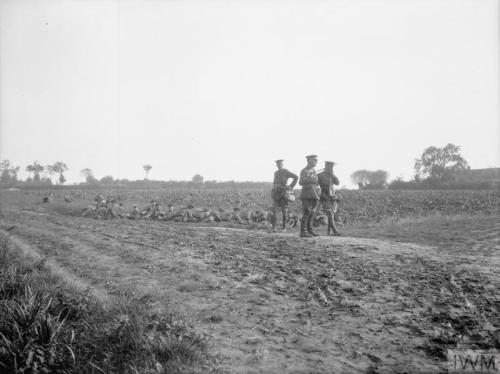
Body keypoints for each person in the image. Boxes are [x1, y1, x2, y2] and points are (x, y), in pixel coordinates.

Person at [271, 159, 298, 232]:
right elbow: (274, 182)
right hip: (276, 193)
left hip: (283, 194)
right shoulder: (276, 173)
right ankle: (274, 228)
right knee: (274, 211)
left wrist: (290, 186)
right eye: (277, 164)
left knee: (284, 212)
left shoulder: (286, 171)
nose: (279, 165)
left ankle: (284, 228)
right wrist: (273, 190)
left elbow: (296, 177)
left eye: (280, 164)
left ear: (282, 165)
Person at [317, 161, 341, 236]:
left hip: (332, 196)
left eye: (332, 167)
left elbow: (337, 183)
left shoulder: (332, 175)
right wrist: (320, 194)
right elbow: (315, 185)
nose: (331, 168)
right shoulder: (320, 175)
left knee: (332, 214)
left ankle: (328, 231)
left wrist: (333, 175)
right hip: (324, 196)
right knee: (330, 213)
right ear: (326, 166)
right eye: (330, 166)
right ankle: (335, 231)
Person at [299, 155, 320, 237]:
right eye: (314, 160)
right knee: (306, 212)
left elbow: (316, 182)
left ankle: (310, 230)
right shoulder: (304, 171)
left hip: (314, 193)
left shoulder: (314, 170)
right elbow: (300, 182)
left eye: (316, 160)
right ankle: (303, 232)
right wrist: (308, 177)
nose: (316, 161)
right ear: (309, 160)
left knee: (312, 213)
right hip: (307, 194)